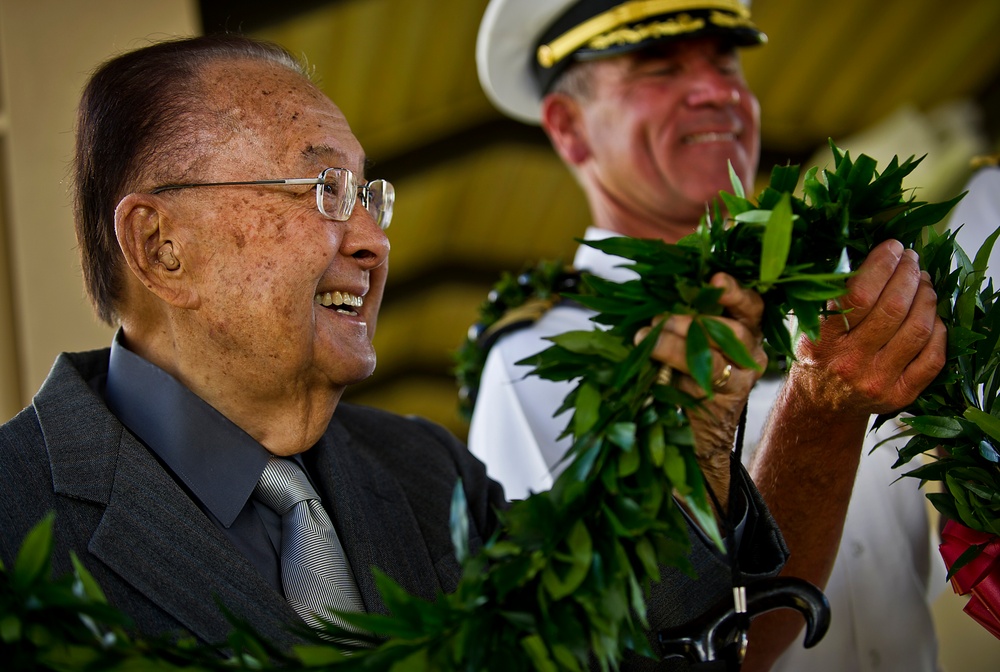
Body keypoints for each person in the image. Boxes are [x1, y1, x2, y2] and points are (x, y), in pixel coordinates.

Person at [0, 34, 787, 669]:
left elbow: (613, 637)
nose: (376, 240)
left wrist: (694, 446)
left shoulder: (425, 471)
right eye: (324, 191)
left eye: (369, 196)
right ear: (160, 246)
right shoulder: (14, 515)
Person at [471, 1, 948, 670]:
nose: (719, 91)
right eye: (659, 69)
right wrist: (818, 416)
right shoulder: (534, 367)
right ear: (568, 127)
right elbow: (606, 653)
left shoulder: (843, 289)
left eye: (727, 62)